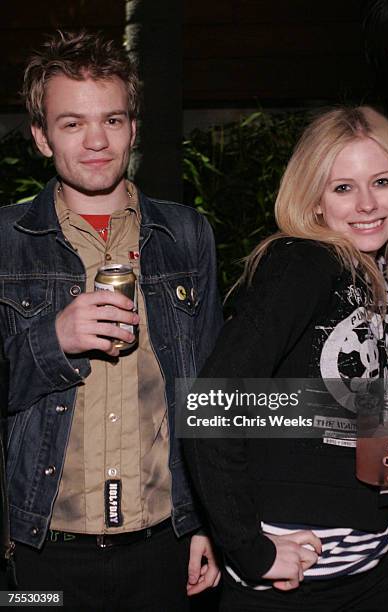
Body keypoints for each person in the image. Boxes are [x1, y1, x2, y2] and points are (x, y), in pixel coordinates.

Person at [0, 30, 222, 611]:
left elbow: (208, 391)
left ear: (133, 128)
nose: (97, 141)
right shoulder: (5, 242)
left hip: (163, 547)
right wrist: (53, 340)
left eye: (113, 120)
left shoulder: (187, 235)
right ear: (41, 138)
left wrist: (208, 523)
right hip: (37, 552)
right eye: (72, 123)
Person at [184, 106, 388, 611]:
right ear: (314, 200)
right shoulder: (304, 264)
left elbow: (364, 433)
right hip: (291, 590)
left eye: (381, 181)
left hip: (372, 573)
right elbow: (208, 403)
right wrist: (252, 551)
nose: (366, 204)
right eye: (342, 187)